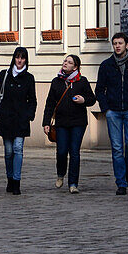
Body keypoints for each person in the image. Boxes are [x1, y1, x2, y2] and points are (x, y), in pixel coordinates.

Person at [95, 32, 128, 195]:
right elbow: (99, 90)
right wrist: (106, 109)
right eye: (115, 43)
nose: (117, 46)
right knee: (117, 148)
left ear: (127, 45)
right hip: (113, 112)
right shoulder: (106, 65)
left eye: (120, 43)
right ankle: (121, 183)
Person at [0, 46, 37, 194]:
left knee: (18, 149)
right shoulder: (4, 75)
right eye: (17, 57)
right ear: (14, 58)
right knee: (8, 152)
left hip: (20, 120)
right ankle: (9, 178)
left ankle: (16, 182)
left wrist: (29, 115)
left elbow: (32, 100)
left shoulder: (29, 78)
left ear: (26, 60)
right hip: (5, 119)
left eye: (23, 58)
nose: (19, 60)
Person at [42, 54, 97, 193]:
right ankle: (61, 174)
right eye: (65, 61)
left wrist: (83, 100)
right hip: (61, 122)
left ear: (75, 67)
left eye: (69, 62)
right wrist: (46, 122)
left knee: (74, 152)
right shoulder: (56, 81)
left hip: (78, 122)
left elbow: (92, 99)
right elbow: (50, 104)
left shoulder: (82, 81)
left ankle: (73, 184)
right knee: (61, 151)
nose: (65, 63)